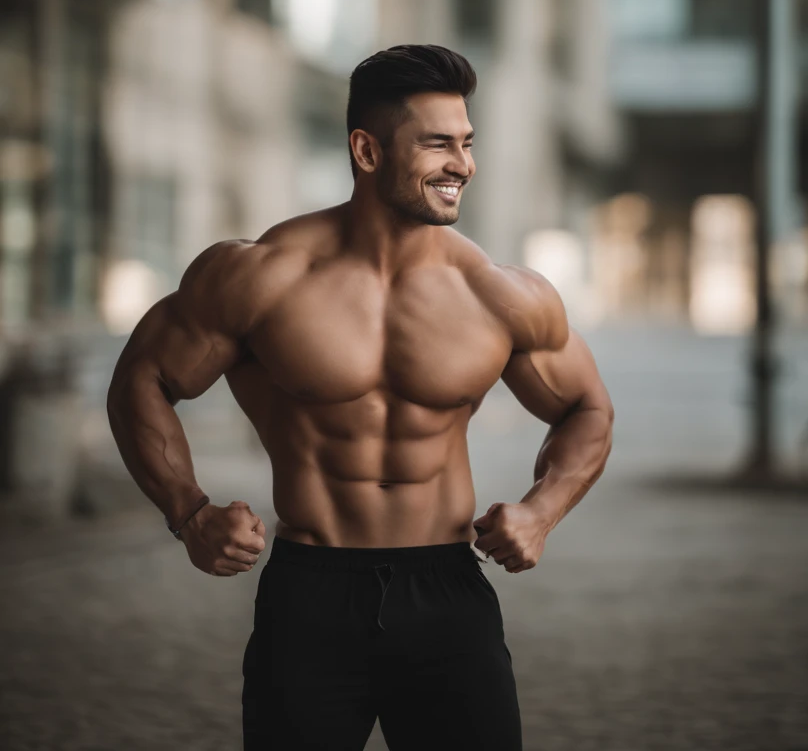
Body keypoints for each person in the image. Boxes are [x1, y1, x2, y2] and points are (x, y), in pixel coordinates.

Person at [107, 43, 614, 751]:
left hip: (447, 594)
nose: (462, 166)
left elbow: (587, 407)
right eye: (438, 144)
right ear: (367, 151)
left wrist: (541, 511)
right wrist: (187, 512)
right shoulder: (261, 277)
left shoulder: (497, 293)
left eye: (467, 144)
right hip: (311, 596)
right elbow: (143, 378)